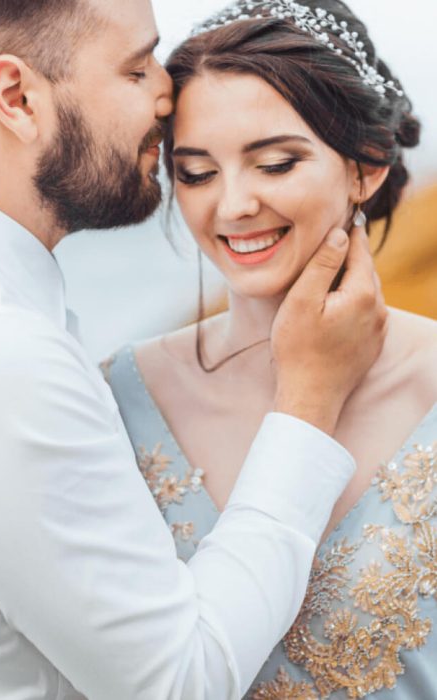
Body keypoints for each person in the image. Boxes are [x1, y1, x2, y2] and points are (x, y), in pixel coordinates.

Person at [0, 0, 387, 698]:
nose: (165, 92)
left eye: (272, 161)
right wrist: (309, 399)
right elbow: (175, 683)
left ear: (366, 169)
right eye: (134, 65)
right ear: (18, 97)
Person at [105, 0, 437, 698]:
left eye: (275, 164)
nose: (231, 207)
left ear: (366, 168)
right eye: (195, 173)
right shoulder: (115, 398)